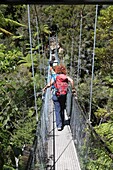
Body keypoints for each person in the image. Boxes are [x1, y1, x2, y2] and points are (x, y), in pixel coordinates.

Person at [43, 64, 74, 131]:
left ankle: (59, 125)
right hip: (63, 95)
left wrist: (45, 88)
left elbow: (49, 84)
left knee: (57, 110)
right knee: (62, 108)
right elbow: (71, 81)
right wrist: (73, 89)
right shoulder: (65, 77)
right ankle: (62, 122)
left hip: (56, 95)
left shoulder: (55, 76)